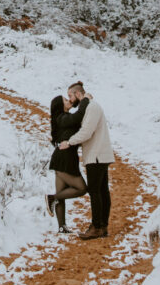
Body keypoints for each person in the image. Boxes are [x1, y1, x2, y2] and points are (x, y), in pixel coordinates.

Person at [58, 80, 114, 240]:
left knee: (95, 191)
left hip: (96, 155)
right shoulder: (90, 107)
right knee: (102, 191)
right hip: (98, 154)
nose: (70, 99)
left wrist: (69, 142)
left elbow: (86, 132)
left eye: (70, 95)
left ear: (78, 93)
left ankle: (97, 226)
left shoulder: (92, 107)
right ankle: (102, 226)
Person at [45, 93, 88, 233]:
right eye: (65, 99)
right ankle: (52, 198)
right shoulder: (62, 118)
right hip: (65, 159)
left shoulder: (63, 118)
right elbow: (78, 116)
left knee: (62, 192)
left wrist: (77, 97)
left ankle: (62, 227)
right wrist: (85, 99)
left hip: (62, 158)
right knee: (81, 188)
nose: (68, 100)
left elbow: (76, 113)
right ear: (60, 106)